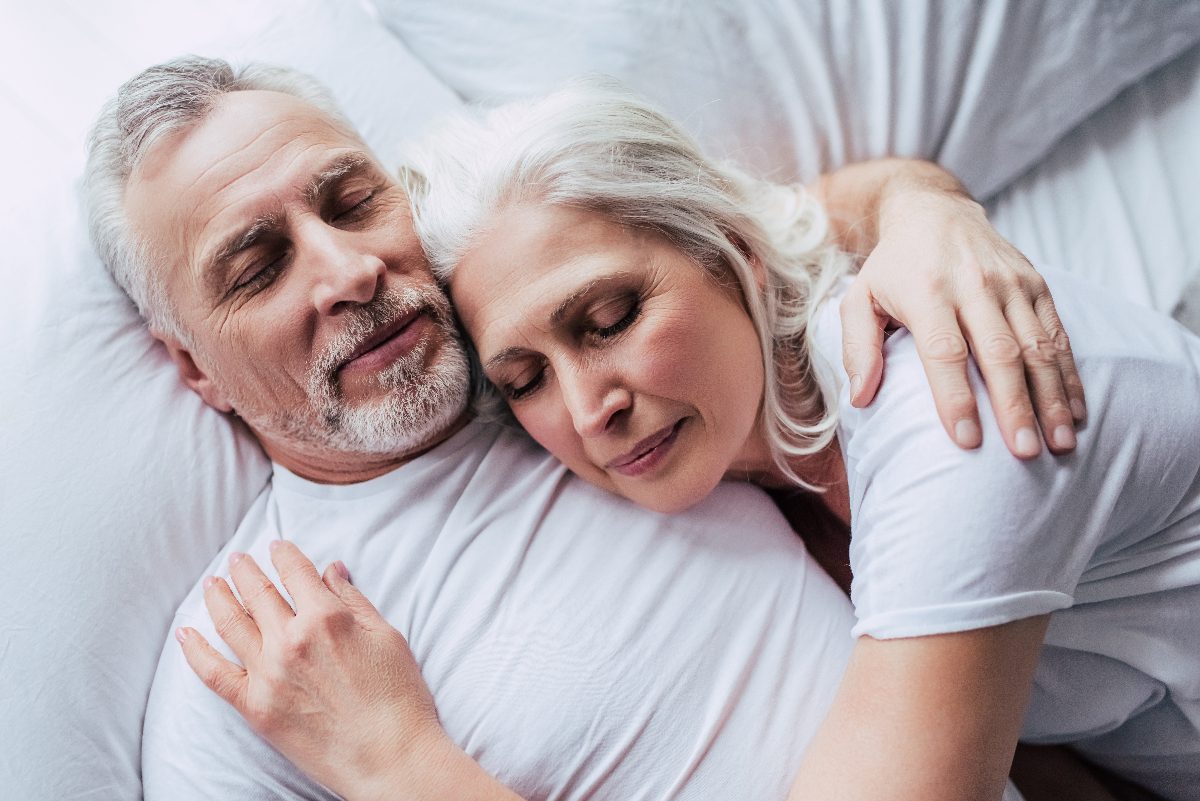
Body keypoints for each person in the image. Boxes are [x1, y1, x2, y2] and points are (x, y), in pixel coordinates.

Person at [86, 57, 1089, 801]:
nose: (348, 271)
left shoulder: (554, 364)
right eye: (259, 267)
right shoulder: (250, 673)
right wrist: (400, 768)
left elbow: (741, 229)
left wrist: (924, 206)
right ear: (192, 368)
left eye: (352, 201)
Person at [305, 82, 1198, 799]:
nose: (587, 410)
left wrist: (401, 767)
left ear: (737, 254)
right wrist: (916, 197)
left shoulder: (946, 410)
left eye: (608, 319)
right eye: (525, 379)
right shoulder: (753, 456)